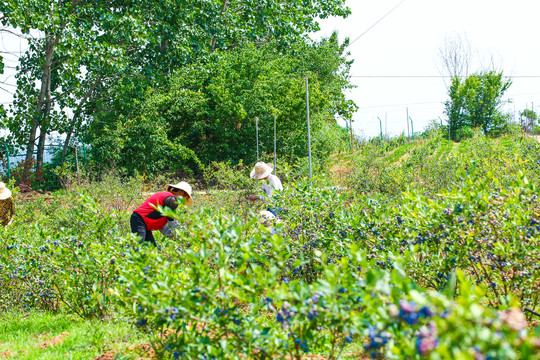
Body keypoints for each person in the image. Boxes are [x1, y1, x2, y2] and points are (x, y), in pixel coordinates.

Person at [130, 181, 193, 246]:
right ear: (182, 192)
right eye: (186, 196)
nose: (185, 199)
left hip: (144, 223)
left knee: (151, 250)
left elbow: (165, 229)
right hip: (139, 220)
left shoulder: (167, 200)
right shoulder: (171, 200)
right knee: (138, 247)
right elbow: (173, 224)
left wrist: (179, 239)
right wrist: (186, 233)